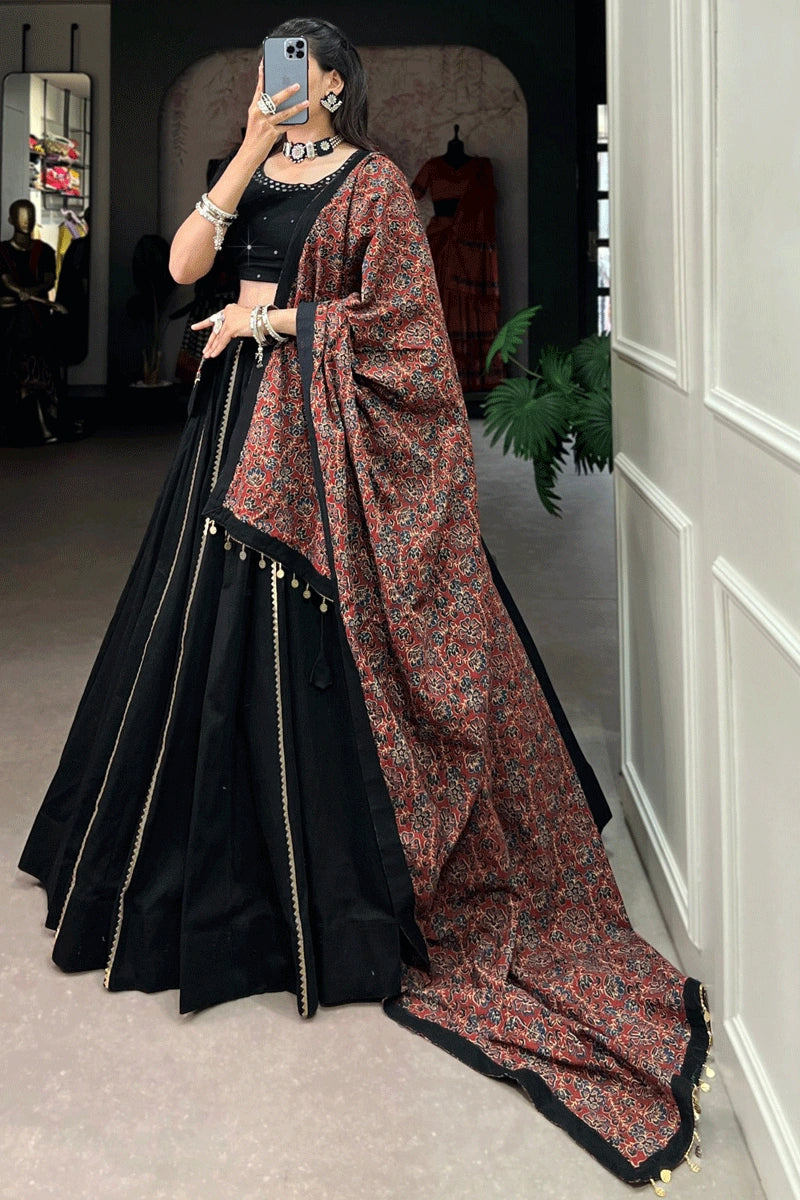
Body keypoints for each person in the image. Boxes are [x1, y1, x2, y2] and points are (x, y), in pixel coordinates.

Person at [18, 18, 711, 1191]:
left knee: (320, 665)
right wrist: (246, 153)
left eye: (293, 69)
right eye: (263, 69)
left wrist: (272, 320)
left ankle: (339, 892)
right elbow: (184, 266)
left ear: (335, 83)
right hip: (230, 436)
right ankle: (209, 887)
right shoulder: (252, 170)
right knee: (194, 654)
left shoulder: (377, 185)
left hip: (320, 447)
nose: (274, 84)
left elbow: (407, 331)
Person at [0, 198, 64, 444]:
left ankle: (47, 422)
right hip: (10, 326)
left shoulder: (44, 251)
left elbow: (48, 281)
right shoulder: (2, 252)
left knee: (41, 368)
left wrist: (30, 292)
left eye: (30, 215)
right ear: (11, 219)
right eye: (21, 215)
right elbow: (6, 282)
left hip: (37, 323)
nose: (26, 221)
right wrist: (19, 293)